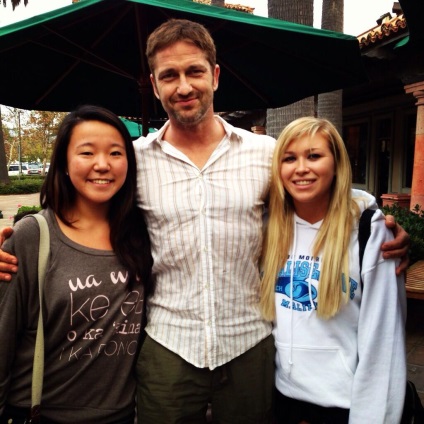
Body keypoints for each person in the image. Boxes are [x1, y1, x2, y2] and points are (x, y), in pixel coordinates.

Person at [0, 19, 410, 424]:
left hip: (250, 344)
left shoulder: (265, 153)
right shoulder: (135, 160)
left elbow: (316, 189)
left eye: (194, 71)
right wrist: (17, 237)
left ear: (215, 75)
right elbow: (83, 208)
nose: (183, 86)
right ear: (154, 84)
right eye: (169, 75)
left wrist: (375, 220)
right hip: (167, 347)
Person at [0, 105, 153, 424]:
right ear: (64, 164)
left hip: (121, 415)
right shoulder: (34, 235)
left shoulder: (141, 233)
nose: (102, 164)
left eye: (115, 153)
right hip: (41, 414)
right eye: (87, 152)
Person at [260, 117, 406, 423]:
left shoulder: (369, 231)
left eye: (314, 156)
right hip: (283, 400)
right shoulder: (270, 229)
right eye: (289, 158)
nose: (301, 168)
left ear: (337, 163)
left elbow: (384, 340)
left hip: (346, 405)